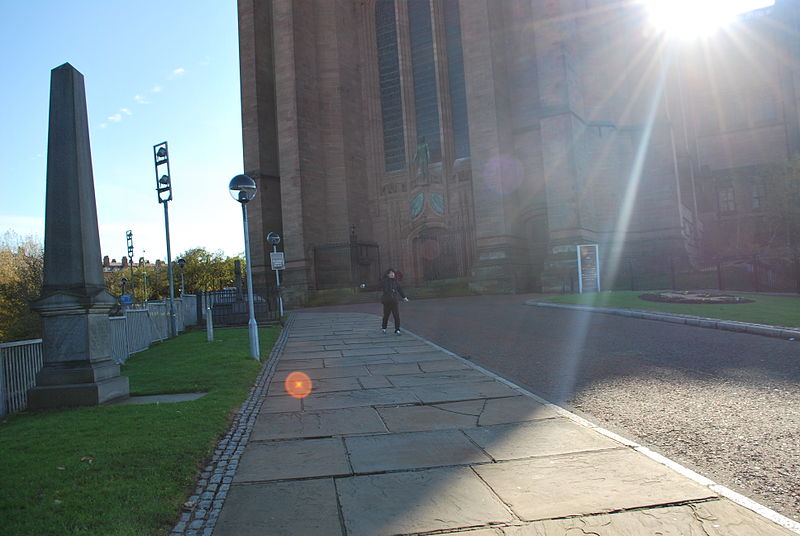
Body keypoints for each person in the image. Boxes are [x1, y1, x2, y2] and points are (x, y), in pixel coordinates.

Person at [379, 268, 408, 334]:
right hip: (387, 301)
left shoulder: (396, 282)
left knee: (396, 315)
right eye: (390, 273)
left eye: (393, 273)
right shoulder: (384, 281)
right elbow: (376, 286)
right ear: (387, 274)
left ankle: (397, 329)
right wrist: (365, 286)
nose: (392, 274)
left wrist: (404, 297)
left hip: (394, 301)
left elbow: (400, 290)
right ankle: (384, 327)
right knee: (386, 315)